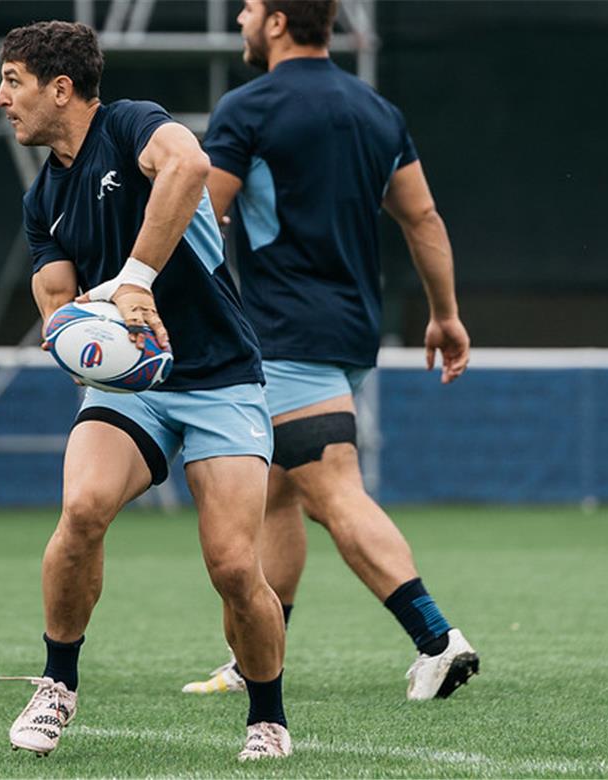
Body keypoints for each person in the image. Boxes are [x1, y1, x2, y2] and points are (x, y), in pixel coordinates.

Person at [0, 21, 292, 761]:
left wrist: (135, 281)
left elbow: (190, 168)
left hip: (219, 375)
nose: (2, 99)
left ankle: (268, 716)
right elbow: (58, 299)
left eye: (12, 81)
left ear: (60, 89)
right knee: (83, 507)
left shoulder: (130, 126)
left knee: (231, 565)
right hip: (134, 387)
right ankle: (58, 683)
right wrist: (72, 329)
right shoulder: (44, 201)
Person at [180, 0, 479, 702]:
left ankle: (437, 639)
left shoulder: (247, 108)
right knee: (279, 493)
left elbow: (199, 215)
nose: (241, 21)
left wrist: (150, 297)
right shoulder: (377, 111)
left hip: (285, 332)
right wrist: (446, 315)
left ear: (279, 21)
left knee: (331, 485)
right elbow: (422, 217)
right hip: (348, 333)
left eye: (249, 8)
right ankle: (255, 659)